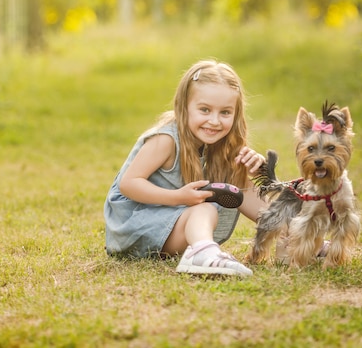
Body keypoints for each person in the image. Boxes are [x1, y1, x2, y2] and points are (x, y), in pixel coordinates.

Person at [104, 60, 267, 276]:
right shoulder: (166, 139)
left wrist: (253, 169)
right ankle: (202, 253)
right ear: (184, 106)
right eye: (205, 110)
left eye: (225, 113)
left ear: (236, 114)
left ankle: (295, 235)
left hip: (170, 222)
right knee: (203, 208)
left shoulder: (218, 145)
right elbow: (129, 184)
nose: (215, 121)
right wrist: (179, 197)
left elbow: (243, 190)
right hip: (133, 228)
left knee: (237, 182)